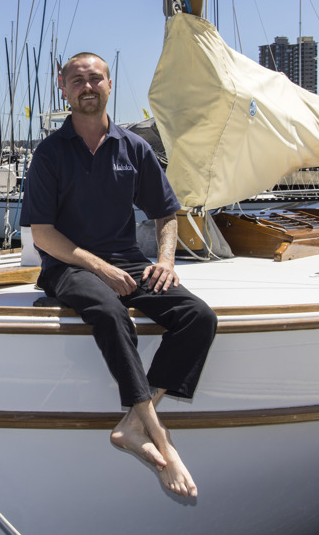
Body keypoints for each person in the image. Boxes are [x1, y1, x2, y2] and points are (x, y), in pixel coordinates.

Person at [20, 52, 217, 499]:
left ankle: (134, 423)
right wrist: (98, 266)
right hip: (69, 266)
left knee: (199, 317)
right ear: (62, 87)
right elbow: (43, 234)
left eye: (95, 79)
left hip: (131, 262)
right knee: (111, 313)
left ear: (110, 85)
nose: (86, 87)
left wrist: (166, 262)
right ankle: (162, 439)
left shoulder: (134, 147)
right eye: (77, 81)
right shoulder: (50, 153)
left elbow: (168, 213)